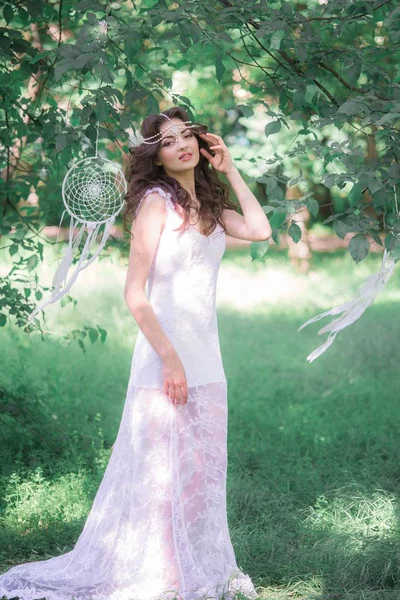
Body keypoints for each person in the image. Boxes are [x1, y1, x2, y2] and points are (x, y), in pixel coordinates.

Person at [0, 106, 271, 600]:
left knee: (200, 473)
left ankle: (191, 566)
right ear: (157, 157)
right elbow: (135, 293)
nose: (181, 145)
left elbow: (260, 230)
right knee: (162, 471)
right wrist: (170, 359)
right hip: (164, 358)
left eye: (186, 135)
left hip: (207, 356)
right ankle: (160, 571)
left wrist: (231, 169)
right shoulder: (155, 204)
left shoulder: (210, 205)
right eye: (167, 141)